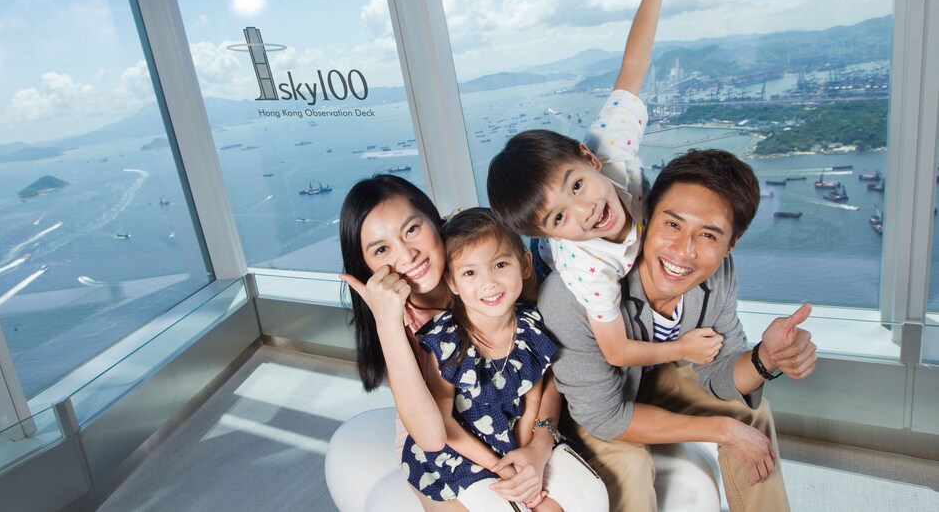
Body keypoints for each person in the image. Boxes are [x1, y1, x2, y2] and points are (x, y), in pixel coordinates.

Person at [539, 148, 818, 511]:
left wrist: (766, 357)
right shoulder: (571, 296)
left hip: (654, 381)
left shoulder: (719, 274)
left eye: (708, 236)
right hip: (595, 406)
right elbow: (605, 417)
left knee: (752, 414)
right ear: (648, 215)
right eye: (672, 224)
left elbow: (720, 372)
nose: (683, 252)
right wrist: (722, 430)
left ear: (730, 245)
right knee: (632, 467)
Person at [487, 0, 723, 372]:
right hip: (551, 267)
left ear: (588, 159)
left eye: (576, 186)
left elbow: (632, 65)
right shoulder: (583, 266)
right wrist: (682, 349)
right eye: (559, 217)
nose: (587, 210)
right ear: (550, 233)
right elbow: (616, 351)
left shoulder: (607, 146)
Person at [339, 176, 550, 510]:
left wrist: (539, 443)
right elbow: (432, 436)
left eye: (411, 229)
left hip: (512, 420)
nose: (406, 254)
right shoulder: (399, 323)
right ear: (367, 267)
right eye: (382, 249)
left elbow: (541, 360)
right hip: (441, 444)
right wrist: (388, 323)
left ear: (433, 219)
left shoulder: (491, 261)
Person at [402, 208, 609, 511]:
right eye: (470, 272)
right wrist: (501, 466)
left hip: (516, 439)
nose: (489, 283)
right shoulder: (447, 340)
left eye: (499, 264)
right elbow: (442, 421)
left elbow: (533, 393)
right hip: (463, 450)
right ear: (453, 283)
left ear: (524, 264)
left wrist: (526, 457)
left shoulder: (530, 324)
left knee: (588, 496)